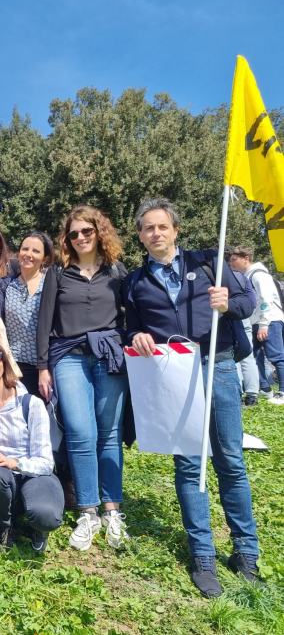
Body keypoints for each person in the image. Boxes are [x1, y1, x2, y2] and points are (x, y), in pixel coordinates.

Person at [123, 197, 260, 597]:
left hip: (216, 365)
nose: (155, 233)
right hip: (175, 374)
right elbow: (129, 327)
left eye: (162, 226)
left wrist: (228, 304)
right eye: (148, 228)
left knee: (230, 460)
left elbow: (249, 302)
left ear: (175, 230)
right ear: (140, 236)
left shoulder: (208, 262)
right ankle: (202, 555)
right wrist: (137, 335)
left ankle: (246, 552)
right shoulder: (135, 282)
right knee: (188, 465)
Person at [37, 205, 129, 552]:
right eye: (73, 233)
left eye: (86, 231)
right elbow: (44, 322)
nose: (79, 238)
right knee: (80, 431)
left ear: (99, 231)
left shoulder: (117, 272)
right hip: (69, 357)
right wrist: (44, 366)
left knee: (109, 433)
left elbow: (130, 316)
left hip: (108, 356)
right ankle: (88, 509)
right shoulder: (58, 274)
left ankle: (112, 510)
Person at [0, 339, 63, 552]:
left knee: (45, 515)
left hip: (34, 474)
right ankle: (5, 525)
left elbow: (46, 462)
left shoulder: (31, 403)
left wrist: (14, 462)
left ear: (4, 361)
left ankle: (36, 526)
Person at [0, 231, 54, 395]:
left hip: (46, 366)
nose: (28, 254)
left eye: (36, 251)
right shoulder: (6, 287)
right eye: (25, 249)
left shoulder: (52, 284)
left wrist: (45, 367)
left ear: (45, 258)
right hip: (14, 367)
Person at [228, 245, 284, 405]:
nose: (231, 263)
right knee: (254, 354)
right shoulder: (248, 275)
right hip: (256, 321)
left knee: (276, 356)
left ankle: (282, 391)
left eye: (234, 260)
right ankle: (265, 388)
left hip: (269, 320)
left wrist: (264, 324)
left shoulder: (259, 275)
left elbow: (266, 300)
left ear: (246, 258)